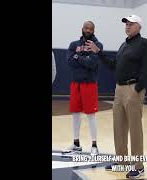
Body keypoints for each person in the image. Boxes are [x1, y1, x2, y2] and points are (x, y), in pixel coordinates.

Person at [85, 14, 147, 179]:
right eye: (126, 24)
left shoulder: (143, 43)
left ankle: (139, 166)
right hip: (119, 90)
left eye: (131, 24)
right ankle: (122, 162)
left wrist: (137, 89)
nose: (127, 26)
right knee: (119, 128)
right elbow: (114, 65)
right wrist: (99, 52)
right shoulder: (124, 45)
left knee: (135, 130)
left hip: (133, 89)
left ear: (139, 26)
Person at [62, 21, 103, 156]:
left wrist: (77, 57)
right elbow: (69, 61)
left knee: (91, 115)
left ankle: (94, 145)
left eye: (90, 29)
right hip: (75, 84)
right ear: (82, 29)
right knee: (75, 114)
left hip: (89, 84)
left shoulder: (97, 45)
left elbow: (92, 63)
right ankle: (76, 144)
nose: (88, 30)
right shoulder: (74, 45)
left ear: (94, 30)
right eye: (86, 28)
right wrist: (83, 58)